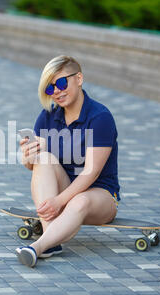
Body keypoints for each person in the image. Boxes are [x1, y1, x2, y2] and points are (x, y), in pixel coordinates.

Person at [16, 55, 121, 267]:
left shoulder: (100, 117)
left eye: (62, 82)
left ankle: (38, 247)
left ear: (79, 78)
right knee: (43, 158)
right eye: (50, 88)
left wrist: (59, 201)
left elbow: (91, 172)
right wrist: (27, 157)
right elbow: (35, 166)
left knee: (79, 201)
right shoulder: (48, 116)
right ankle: (51, 238)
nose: (57, 91)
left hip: (100, 196)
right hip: (65, 189)